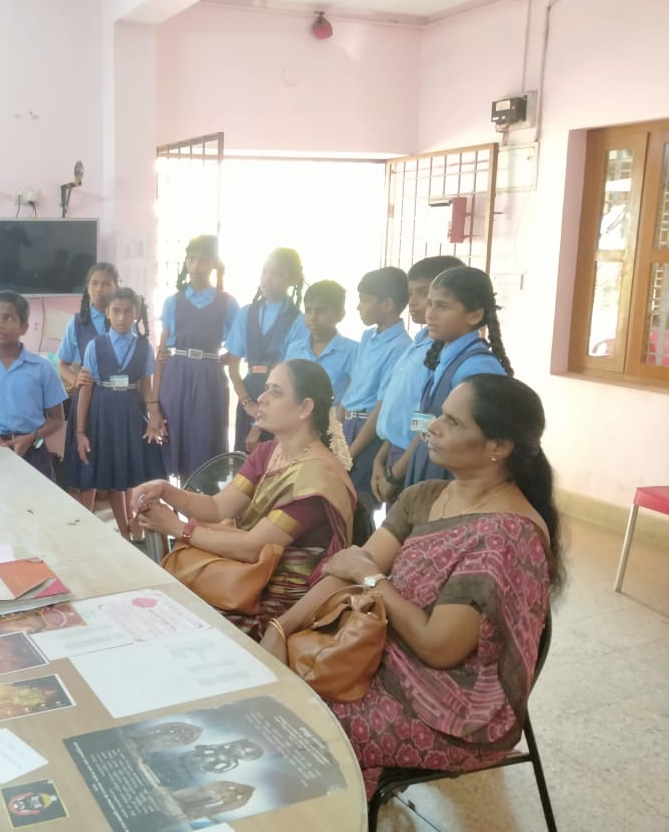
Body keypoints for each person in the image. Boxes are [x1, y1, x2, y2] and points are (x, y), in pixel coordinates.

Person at [276, 375, 563, 798]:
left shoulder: (505, 536)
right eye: (439, 415)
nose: (432, 427)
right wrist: (281, 628)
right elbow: (347, 569)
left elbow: (438, 647)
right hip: (380, 656)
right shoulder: (426, 496)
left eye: (453, 422)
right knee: (272, 671)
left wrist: (373, 581)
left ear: (498, 447)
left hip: (448, 707)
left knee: (304, 720)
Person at [134, 359, 356, 639]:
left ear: (305, 408)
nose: (261, 399)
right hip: (248, 580)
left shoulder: (316, 479)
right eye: (265, 389)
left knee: (175, 621)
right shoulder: (268, 452)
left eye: (275, 392)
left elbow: (252, 547)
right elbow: (218, 507)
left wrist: (177, 528)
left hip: (283, 605)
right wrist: (165, 489)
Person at [403, 267, 512, 487]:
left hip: (457, 477)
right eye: (430, 303)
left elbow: (482, 439)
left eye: (442, 306)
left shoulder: (476, 367)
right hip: (431, 460)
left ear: (475, 315)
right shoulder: (443, 356)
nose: (430, 313)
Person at [370, 256, 465, 506]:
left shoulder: (440, 353)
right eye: (411, 292)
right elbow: (401, 412)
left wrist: (396, 472)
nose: (413, 301)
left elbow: (428, 419)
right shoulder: (419, 342)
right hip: (395, 452)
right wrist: (381, 459)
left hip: (416, 456)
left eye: (424, 294)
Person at [74, 287, 165, 534]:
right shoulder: (95, 346)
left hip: (131, 415)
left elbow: (146, 386)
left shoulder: (144, 347)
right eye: (116, 311)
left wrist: (153, 416)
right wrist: (80, 432)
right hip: (102, 415)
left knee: (128, 473)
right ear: (107, 313)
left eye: (127, 312)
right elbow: (86, 388)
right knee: (108, 472)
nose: (122, 317)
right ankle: (121, 530)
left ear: (136, 314)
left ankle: (133, 529)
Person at [154, 235, 240, 479]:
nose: (197, 265)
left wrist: (219, 360)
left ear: (213, 264)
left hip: (208, 380)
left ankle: (202, 509)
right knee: (175, 439)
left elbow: (237, 346)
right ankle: (178, 509)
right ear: (186, 262)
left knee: (205, 440)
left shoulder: (227, 302)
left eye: (203, 260)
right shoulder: (173, 302)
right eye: (192, 259)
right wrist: (154, 404)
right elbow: (161, 354)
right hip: (176, 376)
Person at [0, 291, 67, 481]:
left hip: (33, 450)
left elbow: (56, 420)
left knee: (38, 506)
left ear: (23, 327)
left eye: (8, 318)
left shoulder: (43, 369)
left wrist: (33, 437)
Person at [338, 267, 412, 512]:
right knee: (336, 499)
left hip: (367, 432)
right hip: (346, 426)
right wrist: (335, 432)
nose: (359, 307)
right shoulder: (368, 336)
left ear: (388, 304)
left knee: (358, 505)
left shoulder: (401, 346)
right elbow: (352, 386)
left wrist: (349, 454)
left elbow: (381, 407)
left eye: (365, 300)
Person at [225, 247, 308, 453]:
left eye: (277, 274)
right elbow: (233, 366)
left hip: (280, 397)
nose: (268, 279)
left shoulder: (299, 321)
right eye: (265, 272)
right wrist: (247, 404)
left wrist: (259, 422)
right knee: (243, 462)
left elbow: (291, 373)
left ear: (293, 279)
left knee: (273, 460)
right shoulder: (246, 313)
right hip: (250, 393)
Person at [58, 262, 120, 511]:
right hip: (87, 406)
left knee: (118, 473)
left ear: (116, 287)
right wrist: (76, 380)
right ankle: (86, 524)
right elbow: (61, 363)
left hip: (118, 405)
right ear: (87, 287)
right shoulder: (76, 323)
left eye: (106, 283)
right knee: (87, 470)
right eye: (94, 283)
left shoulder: (122, 317)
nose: (99, 289)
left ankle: (128, 531)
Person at [284, 280, 358, 410]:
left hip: (334, 424)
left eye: (321, 310)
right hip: (297, 422)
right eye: (308, 310)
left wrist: (335, 425)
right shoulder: (294, 350)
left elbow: (352, 396)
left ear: (340, 315)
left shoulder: (353, 351)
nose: (313, 317)